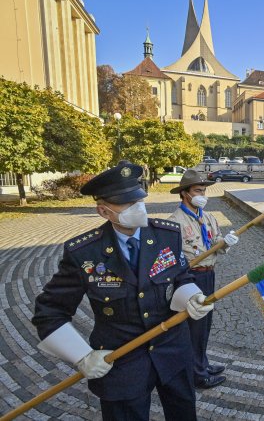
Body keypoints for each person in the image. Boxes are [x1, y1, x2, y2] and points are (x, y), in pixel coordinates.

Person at [32, 161, 213, 421]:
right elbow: (49, 312)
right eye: (127, 204)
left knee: (183, 413)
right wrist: (82, 356)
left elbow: (181, 276)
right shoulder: (84, 252)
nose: (139, 208)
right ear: (104, 211)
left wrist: (191, 296)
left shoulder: (167, 235)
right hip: (121, 359)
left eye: (139, 200)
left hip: (172, 349)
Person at [167, 170, 239, 389]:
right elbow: (173, 257)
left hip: (208, 274)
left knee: (204, 324)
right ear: (185, 194)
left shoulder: (207, 217)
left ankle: (202, 363)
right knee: (194, 326)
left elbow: (215, 240)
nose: (203, 194)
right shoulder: (175, 222)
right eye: (198, 190)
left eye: (204, 190)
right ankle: (197, 373)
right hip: (191, 277)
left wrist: (225, 242)